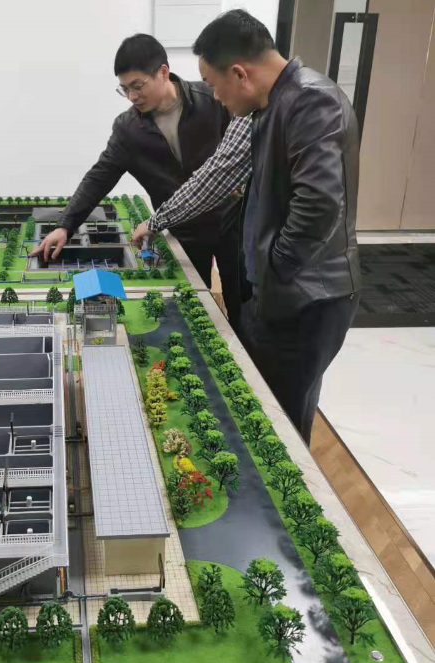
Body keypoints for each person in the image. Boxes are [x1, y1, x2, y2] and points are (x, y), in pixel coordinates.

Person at [132, 10, 361, 445]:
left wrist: (274, 268)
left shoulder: (311, 101)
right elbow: (219, 174)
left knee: (283, 419)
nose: (216, 98)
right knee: (265, 403)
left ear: (239, 73)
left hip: (307, 298)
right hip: (286, 291)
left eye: (214, 85)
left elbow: (318, 205)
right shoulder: (269, 105)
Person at [30, 33, 248, 331]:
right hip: (184, 231)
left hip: (233, 223)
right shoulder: (129, 129)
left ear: (163, 72)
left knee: (243, 303)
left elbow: (242, 152)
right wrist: (65, 226)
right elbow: (99, 177)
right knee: (196, 309)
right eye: (124, 89)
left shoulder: (212, 100)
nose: (132, 96)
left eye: (137, 86)